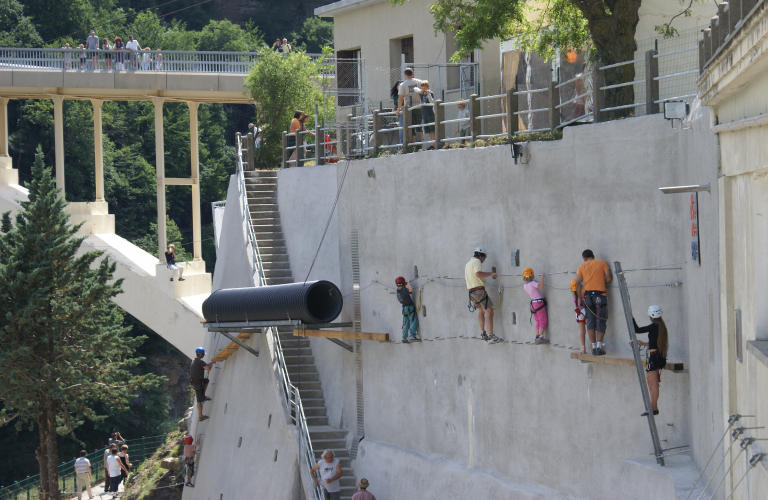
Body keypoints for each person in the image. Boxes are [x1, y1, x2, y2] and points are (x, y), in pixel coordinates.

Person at [574, 249, 611, 355]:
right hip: (600, 295)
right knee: (601, 320)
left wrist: (579, 298)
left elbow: (577, 283)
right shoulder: (602, 263)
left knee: (590, 322)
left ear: (584, 258)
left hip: (588, 297)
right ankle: (599, 346)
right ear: (593, 256)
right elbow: (609, 278)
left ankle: (593, 347)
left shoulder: (581, 266)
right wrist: (600, 282)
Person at [633, 305, 668, 416]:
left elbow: (637, 330)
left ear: (651, 315)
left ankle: (653, 408)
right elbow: (656, 344)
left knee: (653, 383)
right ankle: (653, 407)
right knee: (650, 382)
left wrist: (631, 318)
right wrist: (644, 344)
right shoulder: (662, 326)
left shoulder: (654, 326)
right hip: (658, 357)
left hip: (654, 358)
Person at [465, 247, 502, 344]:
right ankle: (491, 336)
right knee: (489, 312)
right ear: (481, 256)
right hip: (479, 291)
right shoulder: (476, 262)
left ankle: (483, 333)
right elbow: (478, 274)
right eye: (484, 258)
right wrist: (491, 273)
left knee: (481, 312)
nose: (483, 261)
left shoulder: (468, 264)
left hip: (472, 293)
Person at [397, 68, 423, 149]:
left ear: (405, 75)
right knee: (419, 125)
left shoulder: (403, 84)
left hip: (408, 108)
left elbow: (400, 97)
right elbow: (423, 92)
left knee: (410, 126)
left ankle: (413, 145)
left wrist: (398, 109)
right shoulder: (419, 82)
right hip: (418, 105)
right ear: (412, 74)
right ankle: (420, 143)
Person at [523, 268, 549, 344]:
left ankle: (537, 337)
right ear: (532, 275)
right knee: (543, 321)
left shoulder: (525, 285)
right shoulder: (533, 283)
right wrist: (541, 277)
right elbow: (541, 286)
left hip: (533, 304)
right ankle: (541, 337)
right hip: (539, 303)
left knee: (538, 322)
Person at [190, 347, 215, 421]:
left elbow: (203, 366)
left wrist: (209, 363)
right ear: (200, 354)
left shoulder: (194, 360)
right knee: (199, 401)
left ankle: (203, 395)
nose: (204, 355)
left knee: (206, 381)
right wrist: (212, 363)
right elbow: (208, 369)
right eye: (203, 354)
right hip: (198, 383)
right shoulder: (201, 361)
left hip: (194, 382)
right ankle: (200, 416)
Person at [395, 277, 420, 343]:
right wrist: (408, 283)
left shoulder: (398, 290)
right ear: (403, 283)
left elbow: (401, 286)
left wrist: (405, 283)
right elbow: (410, 290)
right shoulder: (404, 290)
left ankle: (404, 338)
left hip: (404, 308)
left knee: (406, 323)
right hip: (409, 307)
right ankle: (412, 336)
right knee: (413, 321)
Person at [571, 279, 588, 353]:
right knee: (590, 329)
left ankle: (583, 348)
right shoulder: (583, 292)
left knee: (582, 331)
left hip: (579, 313)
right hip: (586, 312)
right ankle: (594, 345)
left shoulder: (574, 297)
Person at [418, 81, 436, 150]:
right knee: (428, 130)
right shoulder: (421, 94)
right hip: (424, 114)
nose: (423, 90)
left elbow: (432, 102)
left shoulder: (431, 93)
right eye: (422, 88)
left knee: (432, 129)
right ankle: (432, 143)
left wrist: (428, 94)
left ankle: (434, 144)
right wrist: (421, 92)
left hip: (430, 113)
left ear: (428, 87)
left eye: (424, 88)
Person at [390, 80, 403, 150]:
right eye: (398, 85)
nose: (399, 86)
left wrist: (400, 109)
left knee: (402, 132)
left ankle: (400, 149)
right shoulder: (395, 96)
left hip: (405, 114)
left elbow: (406, 105)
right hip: (399, 115)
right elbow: (395, 105)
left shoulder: (405, 94)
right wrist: (394, 109)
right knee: (401, 132)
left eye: (401, 85)